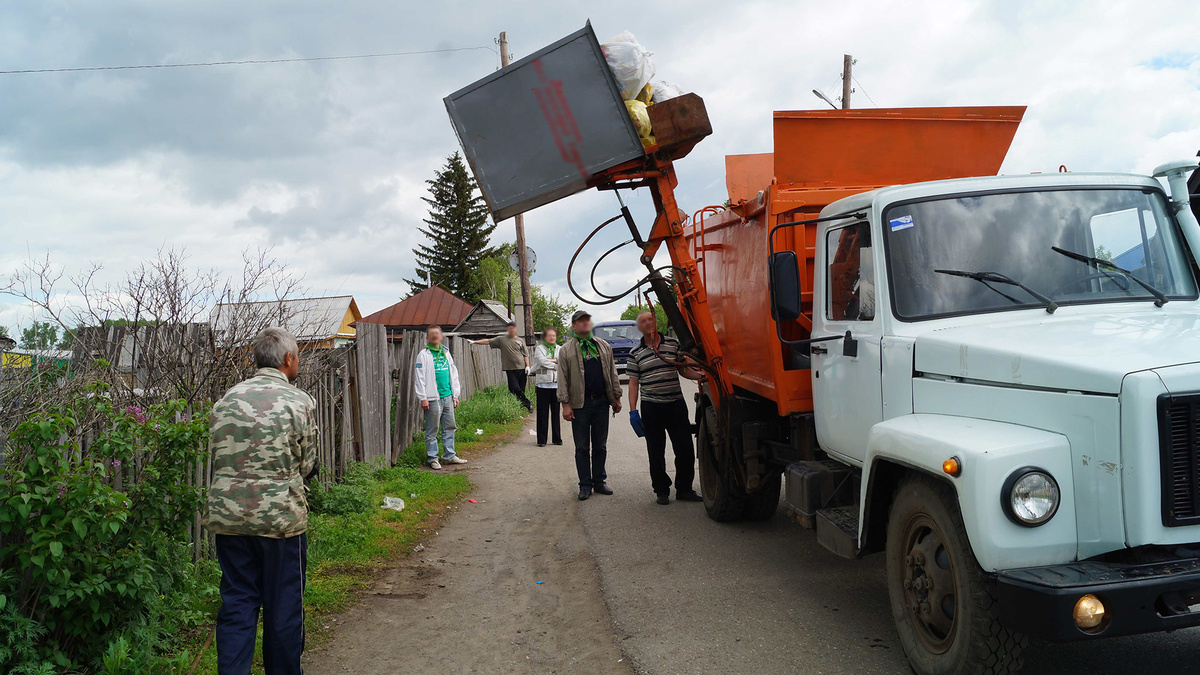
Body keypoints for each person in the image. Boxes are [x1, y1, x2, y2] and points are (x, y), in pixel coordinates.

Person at [203, 327, 318, 675]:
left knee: (237, 604)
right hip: (280, 523)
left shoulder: (228, 399)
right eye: (297, 357)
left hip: (231, 520)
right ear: (288, 359)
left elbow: (218, 455)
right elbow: (308, 463)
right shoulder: (298, 401)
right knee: (283, 609)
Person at [626, 311, 705, 505]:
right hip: (652, 407)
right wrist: (633, 410)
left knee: (685, 449)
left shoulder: (672, 344)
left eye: (650, 319)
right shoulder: (635, 353)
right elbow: (634, 383)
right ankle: (661, 490)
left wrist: (702, 376)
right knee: (656, 450)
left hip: (676, 404)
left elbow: (683, 369)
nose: (648, 323)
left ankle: (684, 489)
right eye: (643, 321)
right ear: (639, 327)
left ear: (655, 322)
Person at [556, 310, 622, 500]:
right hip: (580, 405)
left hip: (602, 402)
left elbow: (612, 373)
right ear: (574, 326)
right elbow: (563, 379)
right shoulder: (566, 350)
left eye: (587, 320)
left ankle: (599, 481)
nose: (585, 323)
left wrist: (616, 398)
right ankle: (585, 485)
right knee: (582, 447)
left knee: (600, 445)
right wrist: (565, 405)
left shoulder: (603, 346)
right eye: (580, 321)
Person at [414, 325, 468, 470]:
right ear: (427, 338)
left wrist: (455, 395)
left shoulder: (446, 353)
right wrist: (423, 398)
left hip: (447, 396)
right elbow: (419, 378)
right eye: (431, 334)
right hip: (432, 398)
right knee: (432, 430)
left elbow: (454, 374)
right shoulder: (423, 355)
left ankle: (449, 456)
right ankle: (433, 458)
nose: (434, 336)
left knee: (450, 427)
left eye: (437, 333)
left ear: (441, 336)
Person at [473, 322, 532, 412]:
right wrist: (475, 342)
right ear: (507, 330)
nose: (511, 330)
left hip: (521, 368)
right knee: (513, 388)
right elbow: (488, 341)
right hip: (510, 368)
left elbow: (525, 354)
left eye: (513, 328)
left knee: (521, 389)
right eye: (509, 328)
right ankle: (527, 403)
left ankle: (520, 406)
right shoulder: (502, 340)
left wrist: (527, 366)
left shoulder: (520, 340)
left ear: (516, 329)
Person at [531, 326, 563, 447]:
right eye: (549, 335)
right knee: (542, 414)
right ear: (545, 337)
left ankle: (557, 438)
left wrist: (553, 360)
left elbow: (562, 360)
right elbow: (541, 361)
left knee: (556, 413)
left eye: (554, 335)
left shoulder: (560, 348)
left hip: (556, 385)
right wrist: (555, 363)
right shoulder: (539, 348)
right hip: (542, 384)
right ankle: (541, 440)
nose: (552, 337)